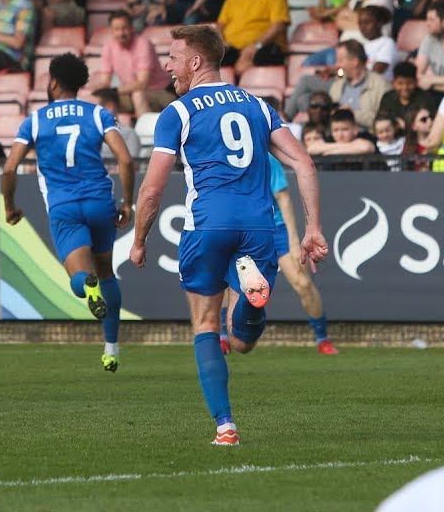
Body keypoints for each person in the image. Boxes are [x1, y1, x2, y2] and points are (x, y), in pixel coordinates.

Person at [130, 24, 328, 445]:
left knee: (205, 323)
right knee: (241, 342)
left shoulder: (178, 113)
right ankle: (253, 312)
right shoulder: (258, 105)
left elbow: (152, 189)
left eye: (173, 57)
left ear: (196, 62)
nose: (168, 66)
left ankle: (225, 426)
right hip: (258, 224)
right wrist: (312, 228)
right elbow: (305, 164)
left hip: (207, 224)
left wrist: (139, 238)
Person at [2, 53, 136, 372]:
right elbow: (126, 160)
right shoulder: (98, 114)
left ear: (54, 82)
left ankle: (85, 285)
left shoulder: (35, 120)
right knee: (106, 272)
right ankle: (112, 349)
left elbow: (9, 167)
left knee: (79, 276)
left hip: (64, 207)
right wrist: (127, 203)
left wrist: (9, 205)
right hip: (100, 202)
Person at [221, 151, 340, 355]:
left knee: (302, 283)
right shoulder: (223, 157)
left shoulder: (266, 158)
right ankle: (223, 337)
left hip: (275, 230)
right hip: (241, 229)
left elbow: (283, 198)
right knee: (226, 283)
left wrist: (294, 242)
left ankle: (322, 339)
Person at [91, 10, 176, 117]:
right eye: (116, 29)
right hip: (129, 93)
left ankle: (145, 132)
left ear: (132, 28)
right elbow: (105, 82)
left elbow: (142, 83)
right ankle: (109, 132)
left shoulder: (143, 44)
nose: (121, 33)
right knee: (101, 99)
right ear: (111, 31)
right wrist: (99, 90)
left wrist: (112, 90)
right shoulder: (108, 47)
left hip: (161, 92)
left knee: (138, 94)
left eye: (124, 28)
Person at [216, 0, 289, 77]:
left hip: (263, 48)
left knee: (245, 65)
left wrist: (255, 46)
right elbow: (220, 25)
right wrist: (222, 44)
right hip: (232, 48)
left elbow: (278, 26)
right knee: (209, 63)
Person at [93, 87, 142, 160]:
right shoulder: (87, 131)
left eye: (94, 107)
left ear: (110, 107)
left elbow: (133, 164)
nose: (89, 111)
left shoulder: (128, 133)